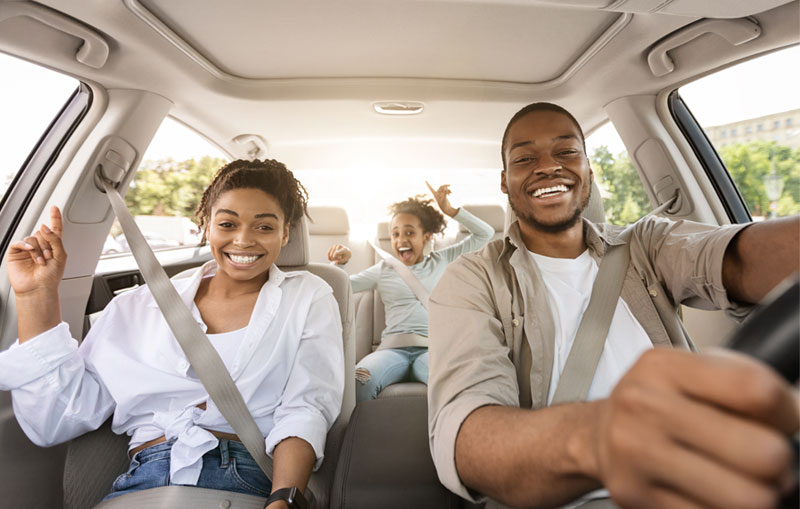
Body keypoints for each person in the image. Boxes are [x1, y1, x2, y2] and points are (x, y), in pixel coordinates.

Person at [427, 102, 800, 509]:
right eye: (525, 158)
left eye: (567, 152)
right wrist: (598, 438)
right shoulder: (473, 279)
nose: (548, 167)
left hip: (706, 483)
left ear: (589, 168)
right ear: (505, 180)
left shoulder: (647, 245)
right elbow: (464, 436)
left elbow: (738, 258)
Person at [0, 159, 344, 505]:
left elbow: (306, 408)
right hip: (140, 483)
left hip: (245, 478)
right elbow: (57, 419)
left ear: (285, 234)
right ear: (206, 226)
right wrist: (36, 296)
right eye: (227, 223)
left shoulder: (308, 296)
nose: (243, 240)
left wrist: (283, 499)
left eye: (264, 228)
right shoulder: (137, 306)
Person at [327, 182, 493, 402]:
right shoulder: (383, 269)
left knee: (456, 386)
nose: (401, 240)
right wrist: (340, 264)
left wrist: (451, 211)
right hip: (391, 351)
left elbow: (485, 234)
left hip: (433, 350)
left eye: (409, 232)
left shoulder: (444, 260)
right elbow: (338, 290)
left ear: (425, 236)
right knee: (358, 382)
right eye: (395, 234)